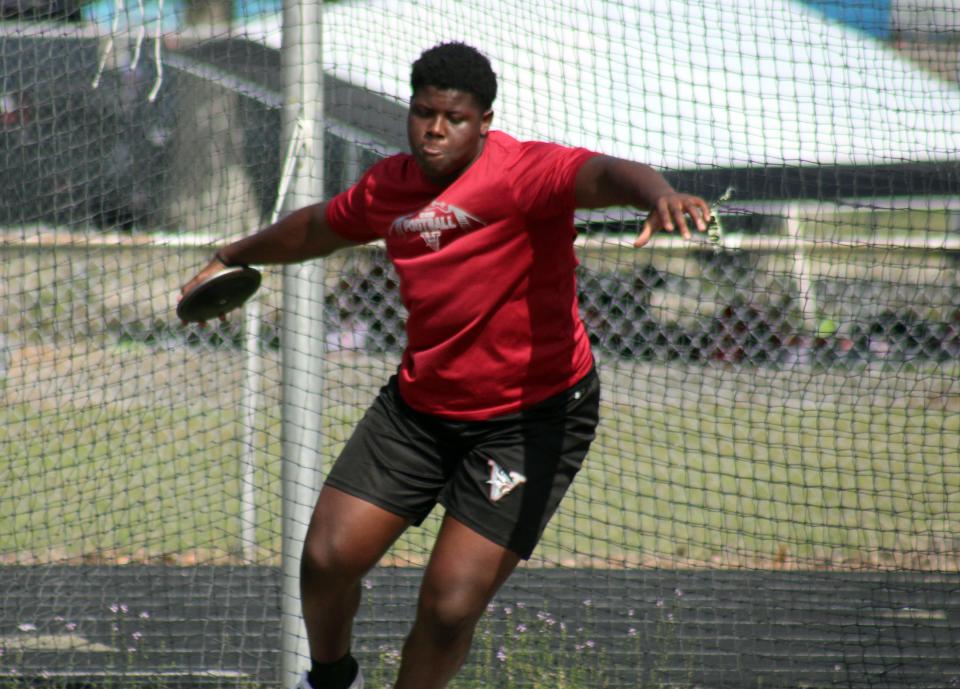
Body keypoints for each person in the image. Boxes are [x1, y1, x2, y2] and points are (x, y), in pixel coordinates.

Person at [180, 41, 712, 689]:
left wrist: (657, 193)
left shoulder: (523, 174)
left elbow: (604, 174)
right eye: (423, 112)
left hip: (529, 420)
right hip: (420, 411)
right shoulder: (389, 186)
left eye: (453, 118)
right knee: (324, 559)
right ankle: (329, 680)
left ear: (484, 121)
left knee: (448, 607)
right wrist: (234, 252)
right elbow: (319, 226)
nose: (434, 130)